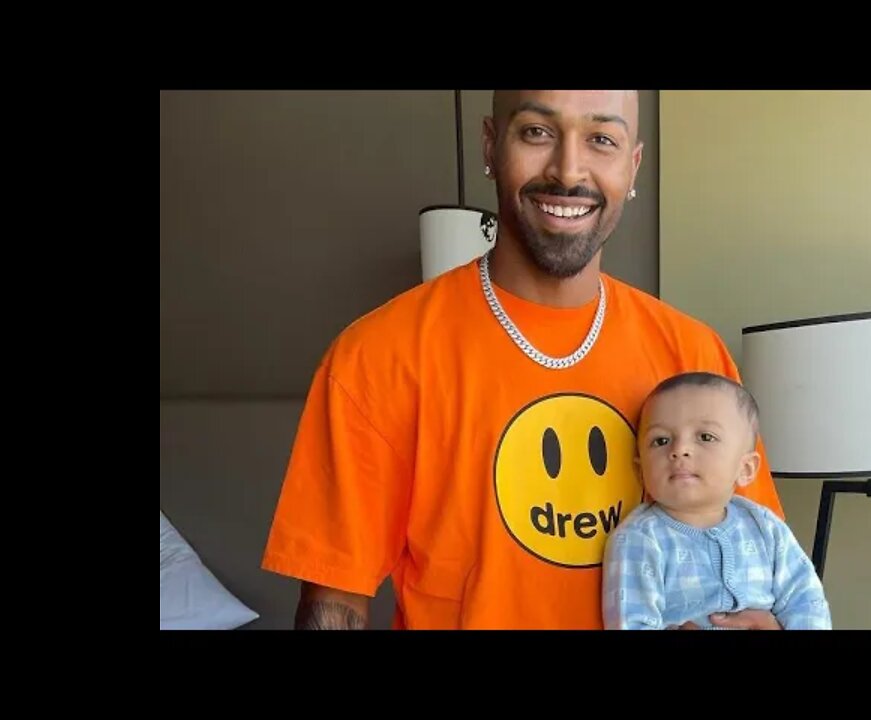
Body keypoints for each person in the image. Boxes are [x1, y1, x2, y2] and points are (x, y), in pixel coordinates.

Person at [261, 90, 786, 630]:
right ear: (491, 146)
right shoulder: (376, 356)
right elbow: (334, 605)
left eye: (601, 139)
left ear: (632, 168)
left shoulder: (694, 356)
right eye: (537, 132)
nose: (568, 170)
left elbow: (759, 571)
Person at [602, 372, 832, 630]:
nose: (679, 449)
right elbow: (630, 622)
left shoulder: (766, 527)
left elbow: (806, 600)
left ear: (746, 468)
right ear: (640, 470)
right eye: (661, 440)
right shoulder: (639, 539)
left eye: (705, 437)